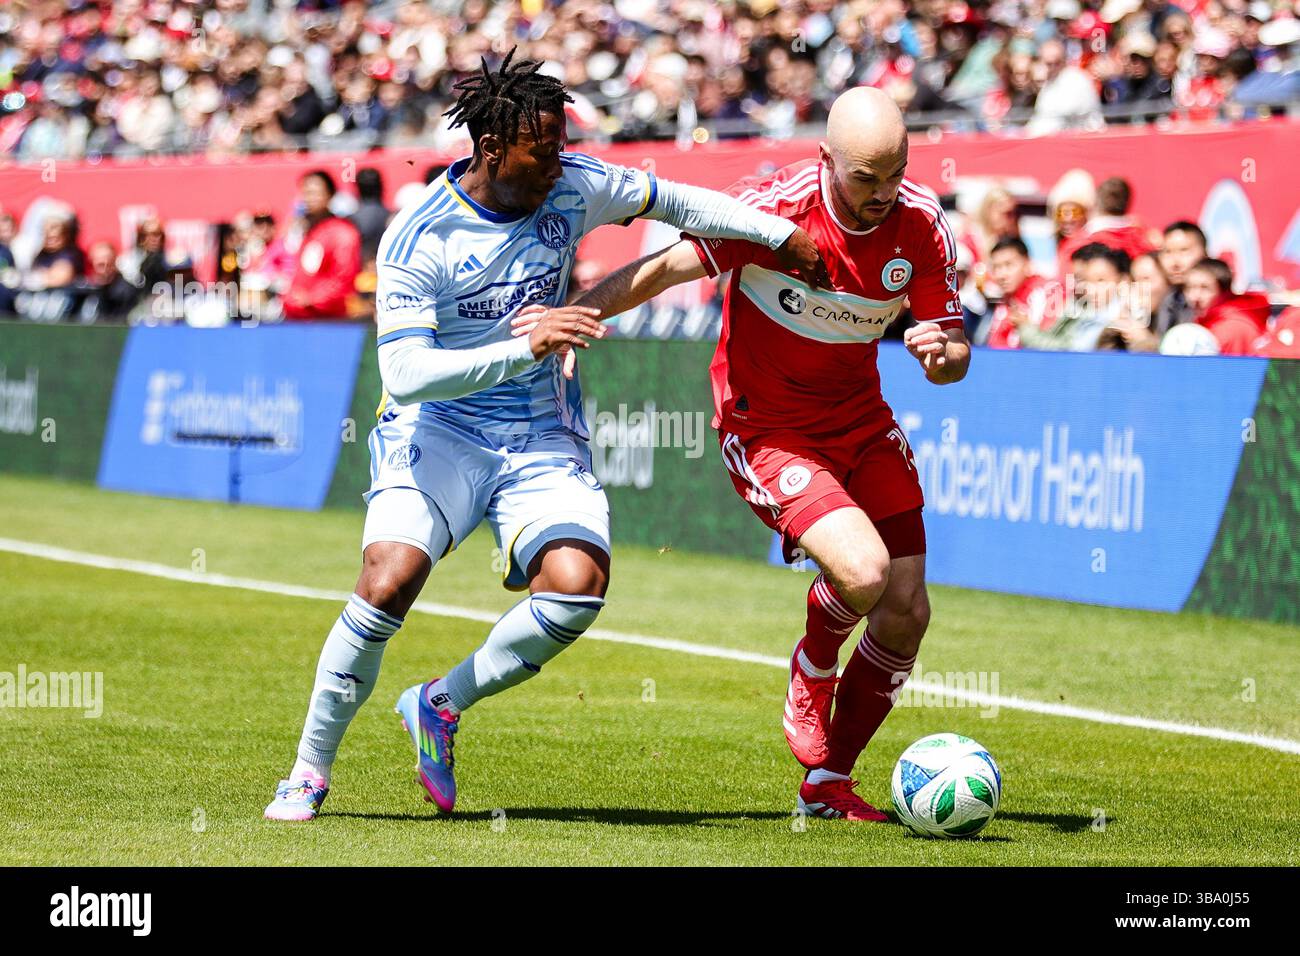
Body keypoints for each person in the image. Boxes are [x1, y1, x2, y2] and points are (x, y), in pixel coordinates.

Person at [264, 50, 829, 822]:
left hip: (536, 430)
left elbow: (684, 204)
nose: (557, 163)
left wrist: (774, 235)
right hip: (440, 430)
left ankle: (439, 702)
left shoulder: (572, 184)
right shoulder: (418, 237)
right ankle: (307, 772)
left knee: (575, 587)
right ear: (492, 148)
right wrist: (524, 345)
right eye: (542, 150)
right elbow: (405, 376)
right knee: (387, 580)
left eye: (563, 146)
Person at [534, 87, 969, 822]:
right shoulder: (774, 211)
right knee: (864, 573)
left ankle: (829, 784)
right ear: (826, 158)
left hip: (862, 421)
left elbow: (953, 350)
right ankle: (812, 666)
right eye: (865, 178)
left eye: (895, 174)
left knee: (905, 611)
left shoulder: (922, 224)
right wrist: (577, 316)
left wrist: (942, 354)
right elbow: (666, 269)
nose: (882, 194)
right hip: (767, 427)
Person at [281, 170, 362, 320]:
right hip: (300, 319)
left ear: (329, 195)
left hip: (329, 322)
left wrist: (311, 299)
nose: (309, 198)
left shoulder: (342, 232)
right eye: (305, 193)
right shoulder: (308, 230)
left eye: (314, 193)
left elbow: (344, 278)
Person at [981, 238, 1060, 348]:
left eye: (1008, 265)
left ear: (1027, 263)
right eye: (996, 267)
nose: (1001, 275)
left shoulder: (1048, 291)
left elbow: (1052, 346)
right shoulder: (1006, 299)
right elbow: (995, 344)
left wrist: (1026, 326)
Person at [1184, 257, 1270, 355]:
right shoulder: (1206, 322)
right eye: (1189, 287)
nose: (1195, 297)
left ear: (1224, 293)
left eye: (1205, 288)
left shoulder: (1232, 328)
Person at [1157, 220, 1207, 330]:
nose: (1175, 263)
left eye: (1184, 250)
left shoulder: (1214, 303)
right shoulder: (1168, 301)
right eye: (1168, 252)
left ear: (1205, 253)